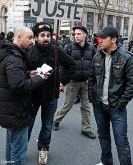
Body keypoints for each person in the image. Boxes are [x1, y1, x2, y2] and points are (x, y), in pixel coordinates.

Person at [26, 22, 75, 165]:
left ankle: (43, 149)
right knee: (27, 125)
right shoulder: (29, 51)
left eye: (48, 35)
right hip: (32, 97)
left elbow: (71, 65)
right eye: (42, 35)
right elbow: (20, 71)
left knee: (47, 126)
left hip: (51, 97)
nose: (46, 38)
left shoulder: (56, 51)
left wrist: (62, 82)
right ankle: (21, 150)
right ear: (36, 37)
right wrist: (28, 74)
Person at [0, 27, 49, 165]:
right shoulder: (14, 57)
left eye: (33, 37)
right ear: (19, 37)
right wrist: (39, 78)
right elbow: (18, 86)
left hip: (11, 109)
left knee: (11, 144)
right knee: (19, 151)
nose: (32, 41)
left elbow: (11, 78)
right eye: (30, 37)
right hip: (17, 110)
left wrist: (28, 74)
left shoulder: (11, 53)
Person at [88, 27, 133, 165]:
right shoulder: (97, 55)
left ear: (113, 40)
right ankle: (106, 162)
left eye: (103, 38)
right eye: (98, 38)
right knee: (103, 137)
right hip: (99, 106)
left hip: (116, 108)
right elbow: (92, 79)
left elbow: (131, 85)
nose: (99, 40)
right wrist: (93, 98)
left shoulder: (126, 57)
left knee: (121, 141)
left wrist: (120, 104)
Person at [53, 25, 96, 139]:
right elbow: (63, 66)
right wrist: (62, 82)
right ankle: (56, 120)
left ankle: (86, 129)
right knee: (68, 104)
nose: (76, 36)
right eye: (75, 34)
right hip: (73, 81)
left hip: (86, 82)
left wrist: (93, 79)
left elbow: (95, 64)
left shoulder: (91, 48)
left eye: (78, 34)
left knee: (86, 106)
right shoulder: (68, 47)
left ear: (85, 35)